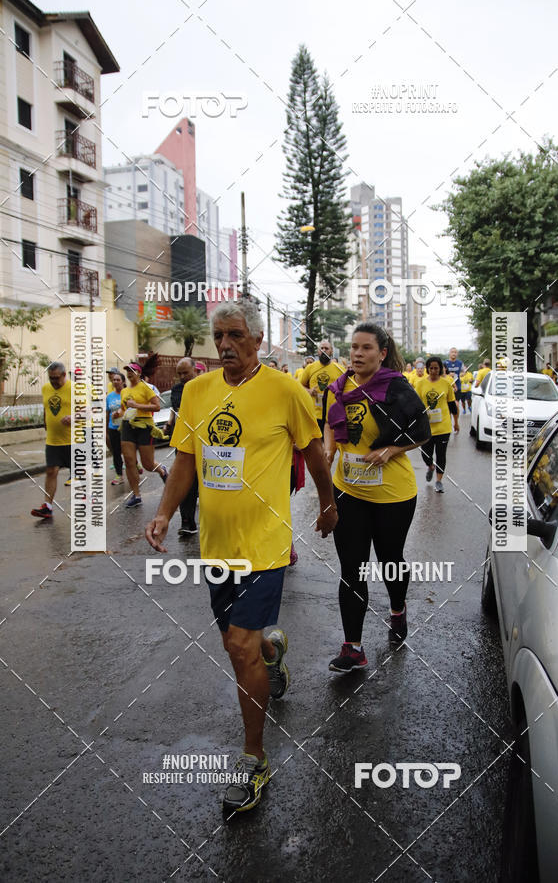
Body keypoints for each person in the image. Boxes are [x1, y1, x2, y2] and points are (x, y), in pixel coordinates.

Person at [145, 299, 337, 814]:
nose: (225, 345)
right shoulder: (197, 392)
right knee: (242, 645)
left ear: (256, 340)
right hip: (217, 545)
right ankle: (272, 653)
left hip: (265, 545)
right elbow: (186, 459)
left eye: (234, 335)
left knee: (238, 646)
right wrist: (165, 513)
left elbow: (314, 452)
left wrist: (328, 503)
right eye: (218, 336)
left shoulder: (286, 392)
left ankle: (253, 757)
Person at [323, 323, 430, 672]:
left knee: (390, 559)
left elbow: (422, 430)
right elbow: (329, 423)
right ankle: (353, 647)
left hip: (393, 496)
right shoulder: (337, 387)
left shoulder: (395, 387)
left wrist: (391, 449)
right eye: (353, 347)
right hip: (349, 490)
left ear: (382, 353)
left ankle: (397, 609)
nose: (357, 353)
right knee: (351, 568)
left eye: (366, 348)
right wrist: (327, 451)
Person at [112, 362, 168, 508]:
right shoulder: (124, 391)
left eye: (132, 370)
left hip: (144, 426)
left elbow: (157, 406)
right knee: (129, 461)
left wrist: (137, 405)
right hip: (128, 426)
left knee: (148, 464)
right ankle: (136, 495)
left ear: (138, 373)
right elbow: (125, 410)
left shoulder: (145, 388)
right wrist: (118, 413)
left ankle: (162, 470)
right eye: (127, 371)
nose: (129, 373)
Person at [31, 363, 72, 519]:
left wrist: (73, 417)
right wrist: (45, 423)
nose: (53, 381)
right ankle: (47, 506)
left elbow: (88, 411)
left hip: (74, 439)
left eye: (56, 378)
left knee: (80, 474)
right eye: (51, 378)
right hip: (53, 440)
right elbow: (46, 408)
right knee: (51, 471)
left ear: (64, 375)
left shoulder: (75, 389)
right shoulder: (46, 388)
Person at [415, 356, 459, 493]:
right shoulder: (421, 384)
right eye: (431, 368)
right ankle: (430, 466)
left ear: (441, 369)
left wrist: (456, 422)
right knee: (425, 453)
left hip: (443, 426)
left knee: (441, 454)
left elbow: (452, 404)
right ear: (428, 369)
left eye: (436, 368)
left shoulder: (446, 384)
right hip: (426, 426)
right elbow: (416, 404)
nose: (434, 371)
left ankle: (439, 481)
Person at [166, 358, 199, 536]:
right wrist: (170, 424)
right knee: (186, 479)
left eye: (185, 372)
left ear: (195, 370)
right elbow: (176, 409)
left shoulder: (205, 386)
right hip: (185, 438)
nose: (182, 377)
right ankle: (187, 521)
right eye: (179, 374)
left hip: (205, 439)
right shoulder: (177, 389)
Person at [300, 341, 345, 436]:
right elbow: (299, 386)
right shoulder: (310, 368)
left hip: (334, 415)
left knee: (331, 448)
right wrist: (309, 391)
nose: (324, 351)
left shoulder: (340, 369)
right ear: (318, 351)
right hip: (315, 414)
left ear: (331, 351)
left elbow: (347, 389)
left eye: (326, 348)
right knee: (317, 445)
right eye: (322, 348)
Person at [106, 372, 126, 485]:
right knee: (116, 452)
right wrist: (105, 430)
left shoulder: (126, 393)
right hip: (113, 427)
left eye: (118, 380)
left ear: (123, 382)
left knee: (128, 451)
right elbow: (107, 412)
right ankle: (119, 475)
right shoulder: (109, 396)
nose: (115, 382)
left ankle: (135, 464)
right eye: (114, 380)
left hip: (125, 427)